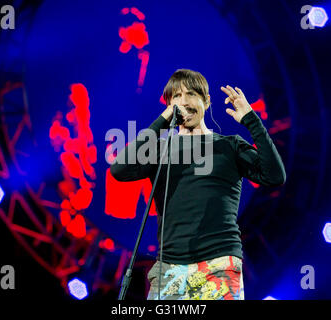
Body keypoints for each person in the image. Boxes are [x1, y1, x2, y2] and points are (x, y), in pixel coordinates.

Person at [110, 69, 286, 300]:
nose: (184, 102)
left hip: (219, 265)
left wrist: (251, 120)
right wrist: (163, 121)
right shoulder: (160, 150)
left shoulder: (229, 146)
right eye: (177, 96)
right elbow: (119, 170)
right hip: (169, 269)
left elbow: (274, 176)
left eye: (191, 94)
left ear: (206, 101)